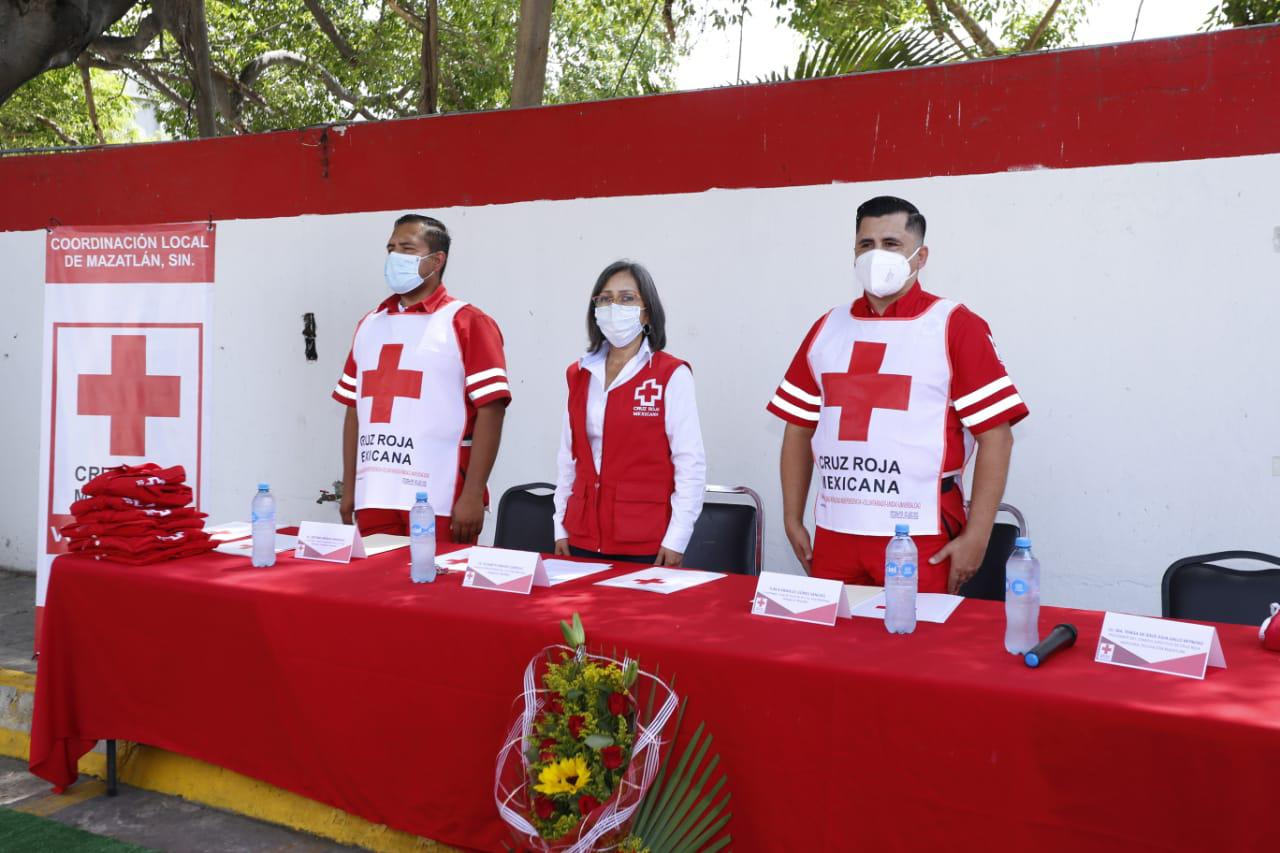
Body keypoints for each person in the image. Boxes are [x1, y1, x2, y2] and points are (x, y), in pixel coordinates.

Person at [767, 196, 1028, 593]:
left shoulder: (956, 326)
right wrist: (792, 516)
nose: (876, 256)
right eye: (865, 245)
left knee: (914, 651)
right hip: (837, 529)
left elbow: (997, 436)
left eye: (891, 244)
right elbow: (798, 428)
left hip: (920, 533)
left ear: (920, 256)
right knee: (830, 651)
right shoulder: (827, 328)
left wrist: (978, 535)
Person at [332, 214, 510, 543]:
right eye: (390, 249)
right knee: (374, 590)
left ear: (436, 260)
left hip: (440, 497)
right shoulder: (369, 324)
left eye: (407, 248)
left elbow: (492, 409)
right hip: (377, 494)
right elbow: (354, 409)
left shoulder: (467, 322)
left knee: (438, 591)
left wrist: (472, 493)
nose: (395, 256)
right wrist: (350, 484)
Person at [553, 260, 706, 566]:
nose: (614, 306)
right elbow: (569, 458)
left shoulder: (670, 374)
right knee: (575, 616)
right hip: (580, 535)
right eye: (605, 298)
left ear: (646, 311)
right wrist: (560, 526)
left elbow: (690, 463)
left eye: (626, 298)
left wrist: (677, 537)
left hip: (645, 538)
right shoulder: (579, 374)